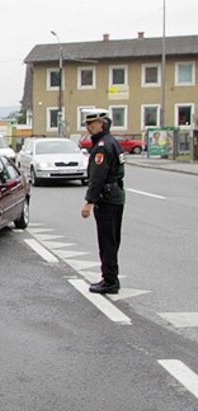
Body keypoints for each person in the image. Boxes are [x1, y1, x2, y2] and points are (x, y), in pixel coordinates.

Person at [80, 109, 125, 294]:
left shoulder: (101, 146)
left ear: (102, 123)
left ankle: (110, 280)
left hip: (106, 198)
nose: (89, 128)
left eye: (92, 124)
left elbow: (98, 177)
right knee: (112, 240)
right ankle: (110, 278)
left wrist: (89, 202)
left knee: (107, 241)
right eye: (87, 125)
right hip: (116, 195)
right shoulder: (112, 142)